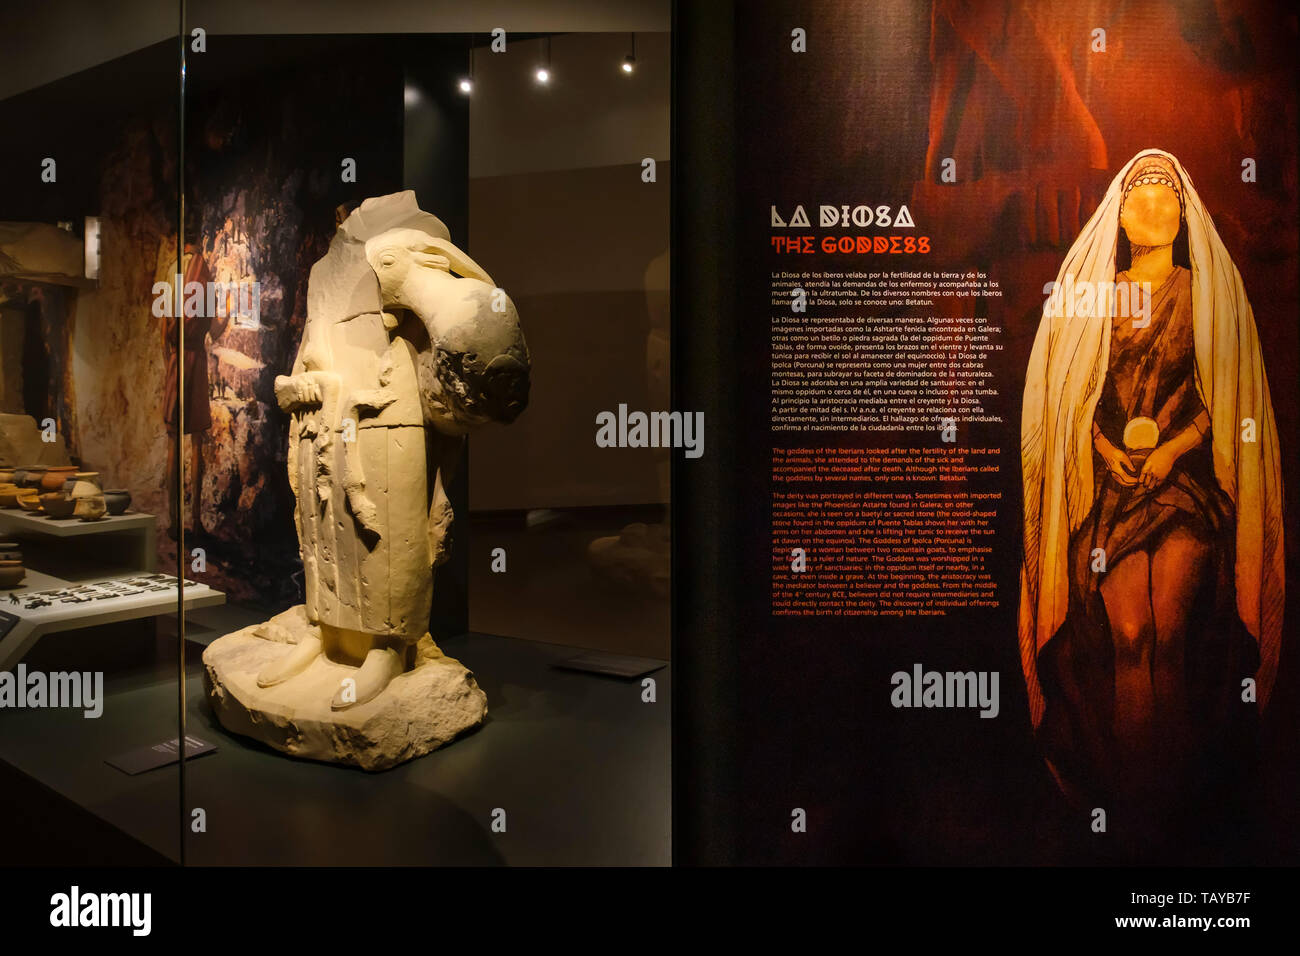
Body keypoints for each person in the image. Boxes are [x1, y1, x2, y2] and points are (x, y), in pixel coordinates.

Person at [1019, 151, 1284, 815]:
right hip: (1112, 498)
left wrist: (1173, 450)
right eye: (1139, 192)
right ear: (1118, 211)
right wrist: (1107, 450)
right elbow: (1069, 401)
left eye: (1168, 193)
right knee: (1127, 633)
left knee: (1169, 629)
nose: (1155, 205)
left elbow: (1221, 396)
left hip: (1184, 492)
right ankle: (1133, 803)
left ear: (1185, 211)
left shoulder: (1205, 293)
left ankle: (1173, 803)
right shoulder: (1094, 296)